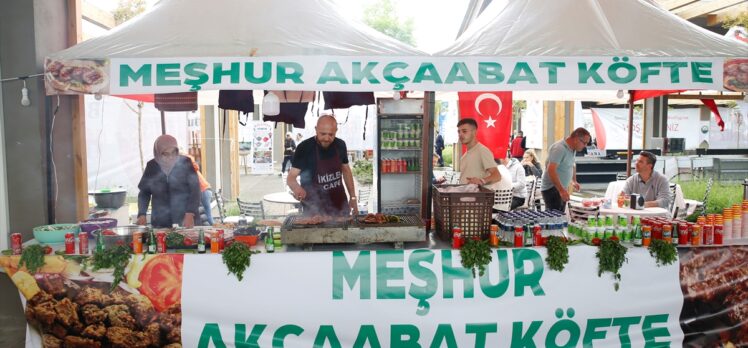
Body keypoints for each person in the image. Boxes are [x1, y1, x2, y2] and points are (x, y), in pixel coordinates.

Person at [287, 115, 357, 216]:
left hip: (340, 207)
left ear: (336, 131)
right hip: (314, 210)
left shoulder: (340, 145)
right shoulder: (304, 148)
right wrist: (296, 188)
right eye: (323, 134)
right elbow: (291, 178)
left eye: (331, 134)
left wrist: (353, 197)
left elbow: (346, 171)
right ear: (316, 129)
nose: (327, 138)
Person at [137, 135, 200, 228]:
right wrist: (142, 213)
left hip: (185, 219)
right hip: (160, 221)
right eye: (165, 154)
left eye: (173, 152)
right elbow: (144, 193)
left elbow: (195, 190)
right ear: (158, 153)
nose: (170, 157)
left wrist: (190, 213)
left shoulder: (186, 162)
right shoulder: (152, 166)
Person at [540, 127, 591, 212]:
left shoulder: (573, 149)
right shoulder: (559, 148)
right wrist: (561, 190)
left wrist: (574, 180)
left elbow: (572, 165)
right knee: (554, 219)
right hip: (552, 188)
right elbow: (551, 170)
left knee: (560, 217)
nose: (585, 146)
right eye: (584, 143)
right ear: (576, 139)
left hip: (561, 188)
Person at [457, 118, 500, 186]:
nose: (460, 134)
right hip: (464, 195)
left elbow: (497, 176)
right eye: (459, 132)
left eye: (464, 131)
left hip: (478, 196)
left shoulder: (482, 151)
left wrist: (482, 181)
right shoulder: (464, 156)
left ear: (474, 132)